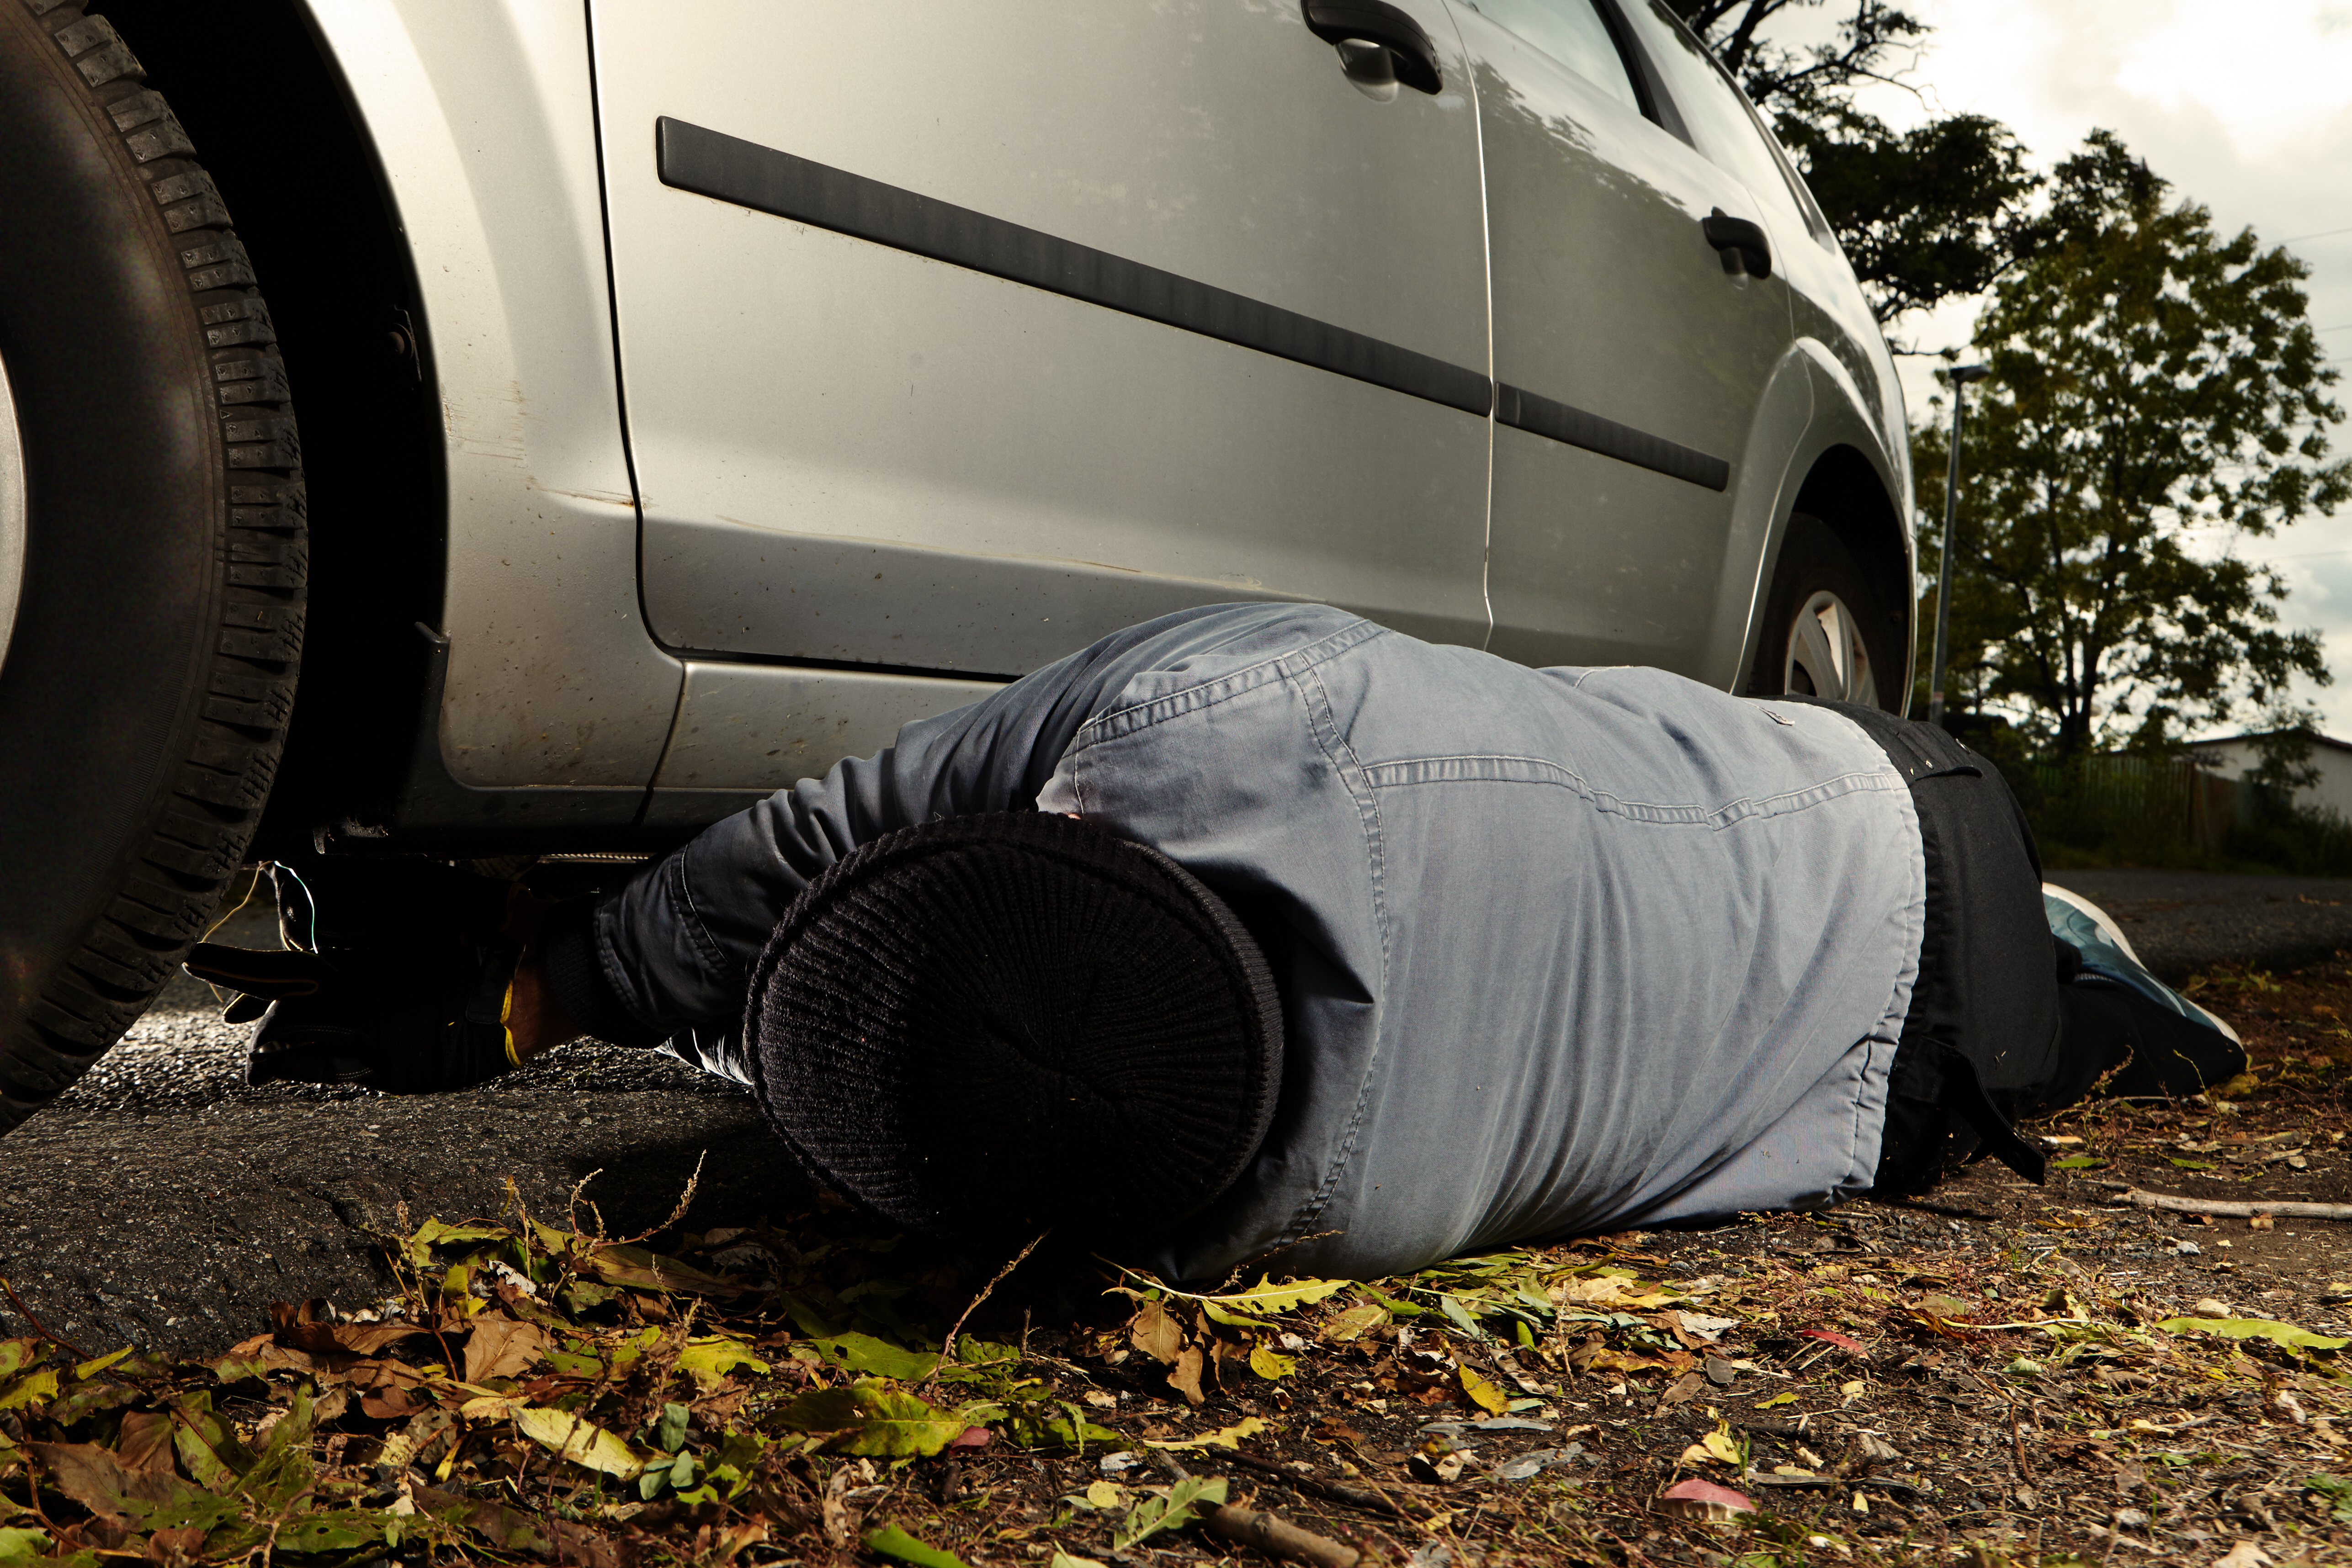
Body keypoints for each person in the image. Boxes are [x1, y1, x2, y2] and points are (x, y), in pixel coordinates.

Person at [187, 604, 2245, 1283]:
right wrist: (556, 987)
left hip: (1904, 1084)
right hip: (1879, 796)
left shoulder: (1294, 1221)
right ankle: (2069, 966)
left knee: (1901, 1043)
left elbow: (818, 876)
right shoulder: (1215, 712)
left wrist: (549, 987)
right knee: (1627, 746)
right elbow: (823, 838)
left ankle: (2073, 994)